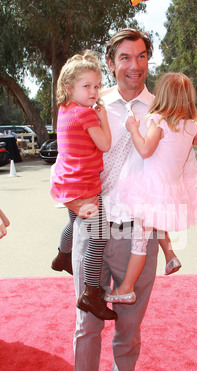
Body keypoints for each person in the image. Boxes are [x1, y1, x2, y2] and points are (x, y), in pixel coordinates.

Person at [67, 28, 159, 371]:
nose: (134, 65)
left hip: (140, 229)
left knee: (130, 320)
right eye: (125, 57)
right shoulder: (89, 102)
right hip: (94, 223)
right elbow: (65, 164)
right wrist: (73, 206)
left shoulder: (162, 107)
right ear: (111, 63)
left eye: (141, 57)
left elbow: (173, 165)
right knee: (88, 321)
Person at [105, 72, 197, 304]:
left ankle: (126, 288)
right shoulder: (190, 126)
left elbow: (144, 150)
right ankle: (171, 255)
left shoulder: (160, 122)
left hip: (151, 189)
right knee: (157, 222)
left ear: (162, 95)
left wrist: (133, 128)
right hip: (171, 191)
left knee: (140, 241)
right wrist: (188, 136)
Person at [50, 50, 117, 321]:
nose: (94, 91)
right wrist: (104, 119)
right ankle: (90, 293)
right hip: (85, 188)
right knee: (98, 237)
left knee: (71, 223)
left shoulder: (64, 110)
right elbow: (105, 144)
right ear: (69, 88)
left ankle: (62, 256)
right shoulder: (87, 114)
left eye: (97, 86)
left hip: (66, 184)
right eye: (87, 86)